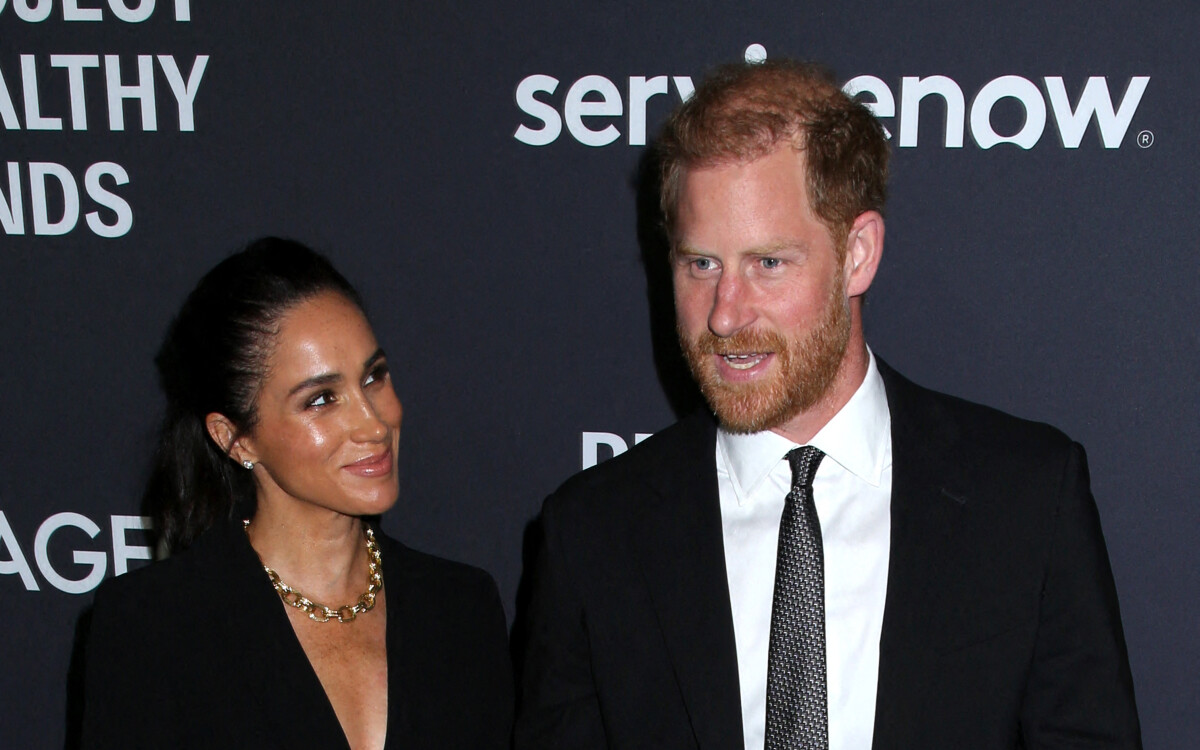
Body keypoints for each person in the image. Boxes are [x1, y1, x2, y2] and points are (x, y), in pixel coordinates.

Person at [514, 60, 1141, 749]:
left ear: (858, 254)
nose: (725, 314)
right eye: (701, 264)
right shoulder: (592, 534)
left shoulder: (1026, 499)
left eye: (768, 263)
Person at [81, 238, 513, 749]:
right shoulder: (153, 627)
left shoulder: (461, 608)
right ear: (235, 438)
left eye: (373, 376)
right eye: (322, 399)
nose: (374, 424)